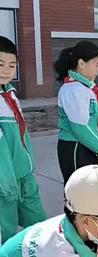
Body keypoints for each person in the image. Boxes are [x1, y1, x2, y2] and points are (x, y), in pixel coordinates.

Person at [0, 36, 46, 245]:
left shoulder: (9, 94)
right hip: (4, 183)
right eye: (0, 64)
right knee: (6, 234)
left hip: (23, 177)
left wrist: (29, 169)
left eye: (11, 65)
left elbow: (22, 136)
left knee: (38, 228)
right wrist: (7, 185)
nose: (6, 70)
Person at [55, 41, 98, 184]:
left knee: (87, 195)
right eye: (96, 65)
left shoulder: (83, 88)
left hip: (86, 146)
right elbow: (79, 126)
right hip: (76, 147)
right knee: (78, 194)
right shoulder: (74, 90)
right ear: (82, 63)